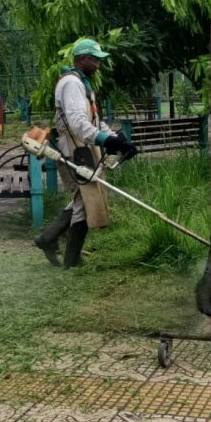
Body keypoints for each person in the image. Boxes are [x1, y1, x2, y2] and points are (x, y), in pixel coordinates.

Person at [33, 38, 137, 268]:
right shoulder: (71, 83)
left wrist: (116, 138)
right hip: (72, 149)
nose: (98, 64)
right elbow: (78, 122)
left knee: (84, 197)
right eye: (94, 59)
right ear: (81, 58)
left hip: (82, 146)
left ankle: (48, 239)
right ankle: (69, 257)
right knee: (85, 198)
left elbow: (93, 120)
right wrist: (104, 139)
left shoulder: (82, 83)